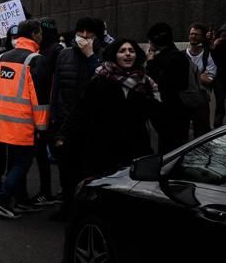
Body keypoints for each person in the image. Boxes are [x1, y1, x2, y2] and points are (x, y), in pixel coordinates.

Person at [58, 39, 159, 180]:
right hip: (104, 147)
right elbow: (81, 110)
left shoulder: (145, 83)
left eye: (131, 51)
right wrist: (64, 135)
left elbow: (154, 112)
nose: (128, 54)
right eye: (122, 51)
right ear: (114, 55)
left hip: (135, 146)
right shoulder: (100, 80)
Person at [0, 20, 51, 220]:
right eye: (40, 33)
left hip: (5, 119)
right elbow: (40, 97)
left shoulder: (2, 58)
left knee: (13, 160)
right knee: (22, 164)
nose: (41, 36)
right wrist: (42, 126)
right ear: (34, 35)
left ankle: (21, 201)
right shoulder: (35, 60)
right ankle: (3, 201)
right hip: (26, 121)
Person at [49, 17, 106, 221]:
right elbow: (56, 89)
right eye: (80, 32)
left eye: (89, 33)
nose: (83, 37)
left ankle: (86, 210)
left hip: (92, 124)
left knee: (89, 169)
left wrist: (90, 56)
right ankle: (67, 205)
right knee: (66, 169)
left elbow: (104, 83)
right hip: (66, 121)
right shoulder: (64, 55)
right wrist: (54, 118)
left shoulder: (103, 55)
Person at [145, 22, 192, 155]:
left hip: (169, 111)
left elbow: (158, 82)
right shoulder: (178, 56)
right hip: (177, 111)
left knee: (169, 149)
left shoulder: (167, 58)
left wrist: (150, 62)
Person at [186, 23, 217, 138]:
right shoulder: (182, 55)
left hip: (201, 102)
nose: (193, 36)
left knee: (202, 133)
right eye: (191, 34)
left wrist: (190, 74)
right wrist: (200, 75)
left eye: (197, 34)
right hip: (185, 101)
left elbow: (209, 80)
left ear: (203, 37)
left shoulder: (207, 56)